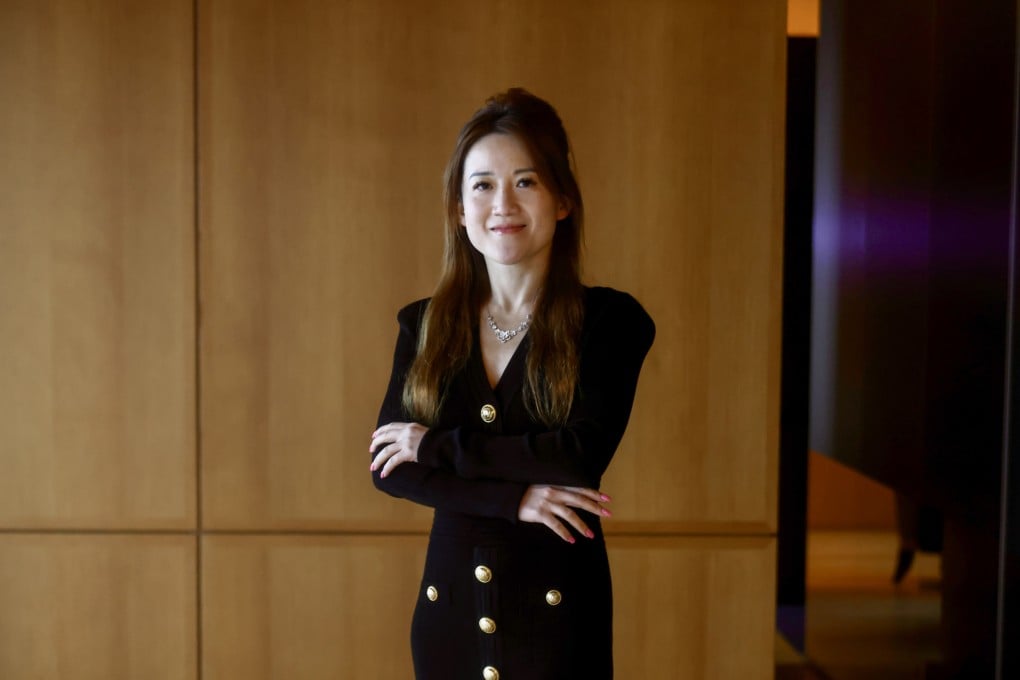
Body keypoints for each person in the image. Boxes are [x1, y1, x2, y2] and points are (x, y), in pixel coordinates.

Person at [369, 88, 655, 680]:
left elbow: (576, 456)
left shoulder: (610, 322)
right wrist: (515, 499)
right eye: (482, 184)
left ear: (563, 200)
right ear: (458, 207)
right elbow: (388, 468)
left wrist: (434, 445)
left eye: (525, 182)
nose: (503, 203)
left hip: (557, 605)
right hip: (446, 607)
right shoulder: (422, 325)